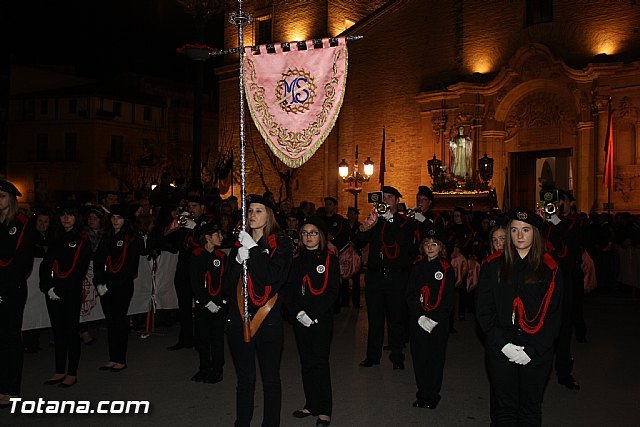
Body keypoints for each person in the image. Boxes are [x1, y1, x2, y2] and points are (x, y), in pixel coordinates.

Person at [476, 209, 564, 426]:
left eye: (525, 230)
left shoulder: (549, 268)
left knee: (530, 409)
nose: (520, 235)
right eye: (514, 230)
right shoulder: (493, 264)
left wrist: (533, 350)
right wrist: (502, 344)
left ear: (535, 233)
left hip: (535, 349)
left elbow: (554, 315)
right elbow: (484, 310)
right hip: (501, 346)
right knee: (504, 409)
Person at [224, 194, 293, 427]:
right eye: (250, 211)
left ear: (269, 215)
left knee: (270, 378)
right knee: (245, 378)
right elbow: (228, 285)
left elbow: (270, 278)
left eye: (259, 211)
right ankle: (242, 422)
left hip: (268, 317)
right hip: (239, 317)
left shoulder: (281, 244)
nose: (252, 215)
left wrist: (253, 251)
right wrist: (236, 261)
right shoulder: (239, 243)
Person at [356, 186, 420, 370]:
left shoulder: (405, 221)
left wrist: (390, 219)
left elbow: (404, 242)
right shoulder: (375, 220)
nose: (386, 200)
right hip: (375, 276)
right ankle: (372, 356)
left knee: (396, 318)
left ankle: (397, 355)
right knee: (375, 318)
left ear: (397, 201)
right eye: (384, 197)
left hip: (396, 277)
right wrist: (370, 221)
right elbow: (360, 239)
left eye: (390, 197)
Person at [285, 217, 339, 426]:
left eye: (313, 232)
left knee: (320, 363)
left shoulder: (329, 259)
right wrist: (298, 313)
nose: (308, 236)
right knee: (306, 362)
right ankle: (311, 404)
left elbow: (332, 292)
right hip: (300, 319)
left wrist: (312, 314)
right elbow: (288, 289)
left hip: (320, 320)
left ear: (321, 236)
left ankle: (325, 410)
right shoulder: (296, 260)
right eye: (305, 233)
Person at [39, 201, 92, 388]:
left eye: (70, 215)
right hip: (53, 292)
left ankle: (72, 372)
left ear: (76, 217)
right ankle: (59, 369)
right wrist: (47, 287)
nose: (66, 219)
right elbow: (46, 264)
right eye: (63, 215)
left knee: (71, 331)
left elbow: (78, 268)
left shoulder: (82, 238)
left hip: (70, 291)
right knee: (58, 331)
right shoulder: (56, 236)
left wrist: (59, 288)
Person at [406, 228, 455, 409]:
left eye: (434, 244)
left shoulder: (446, 268)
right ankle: (422, 393)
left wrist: (434, 319)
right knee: (419, 357)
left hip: (437, 323)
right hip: (418, 320)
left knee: (435, 358)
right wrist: (419, 317)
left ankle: (432, 395)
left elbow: (448, 299)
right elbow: (410, 293)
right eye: (427, 244)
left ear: (441, 247)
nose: (430, 247)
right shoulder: (417, 265)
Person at [93, 204, 141, 372]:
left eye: (119, 218)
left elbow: (128, 267)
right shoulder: (106, 236)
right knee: (111, 322)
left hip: (121, 285)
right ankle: (112, 357)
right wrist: (98, 282)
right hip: (105, 285)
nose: (115, 221)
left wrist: (110, 285)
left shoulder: (131, 237)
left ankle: (120, 358)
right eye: (113, 217)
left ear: (125, 220)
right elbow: (98, 261)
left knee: (119, 322)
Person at [0, 180, 35, 407]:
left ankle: (10, 388)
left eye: (2, 196)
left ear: (11, 199)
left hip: (11, 287)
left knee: (10, 338)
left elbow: (17, 259)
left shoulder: (20, 223)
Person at [165, 196, 215, 350]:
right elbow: (166, 233)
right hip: (184, 265)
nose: (191, 209)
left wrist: (195, 226)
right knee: (184, 304)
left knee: (201, 304)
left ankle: (203, 340)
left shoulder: (209, 220)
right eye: (189, 206)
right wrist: (178, 224)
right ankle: (186, 338)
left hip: (199, 267)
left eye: (194, 206)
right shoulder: (185, 219)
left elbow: (208, 239)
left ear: (202, 207)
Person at [189, 222, 228, 384]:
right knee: (203, 338)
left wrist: (221, 301)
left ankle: (217, 369)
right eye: (217, 234)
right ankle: (204, 368)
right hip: (203, 304)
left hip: (219, 304)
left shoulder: (222, 257)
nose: (221, 237)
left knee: (217, 338)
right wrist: (206, 302)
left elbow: (226, 281)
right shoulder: (196, 255)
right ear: (208, 237)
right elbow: (195, 282)